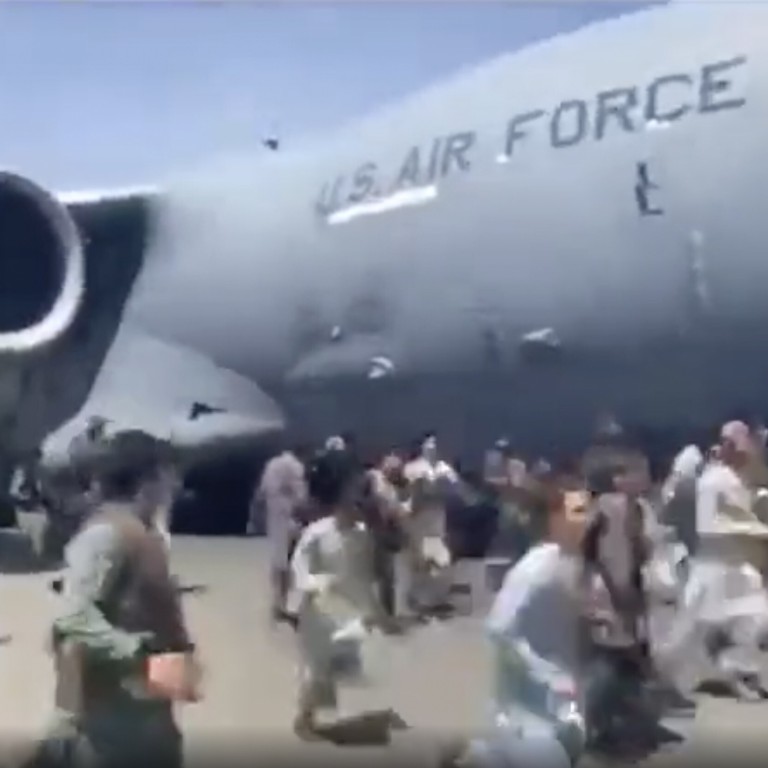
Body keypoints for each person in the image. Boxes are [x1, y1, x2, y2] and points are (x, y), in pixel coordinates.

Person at [35, 430, 201, 768]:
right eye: (169, 475)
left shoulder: (138, 532)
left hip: (142, 711)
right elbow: (74, 620)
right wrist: (137, 650)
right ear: (148, 478)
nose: (175, 485)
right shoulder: (105, 535)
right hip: (111, 724)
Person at [445, 479, 590, 768]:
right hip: (535, 704)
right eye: (578, 512)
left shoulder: (569, 562)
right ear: (554, 519)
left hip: (556, 697)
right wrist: (532, 670)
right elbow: (499, 628)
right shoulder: (537, 567)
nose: (587, 520)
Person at [657, 421, 768, 701]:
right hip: (714, 567)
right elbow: (709, 525)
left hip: (736, 566)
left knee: (750, 622)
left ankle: (742, 674)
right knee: (689, 631)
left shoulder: (737, 478)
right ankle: (660, 679)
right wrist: (755, 530)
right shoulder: (714, 480)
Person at [291, 448, 389, 739]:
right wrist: (313, 583)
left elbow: (364, 575)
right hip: (318, 612)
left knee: (344, 661)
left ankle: (317, 713)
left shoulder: (362, 535)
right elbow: (299, 567)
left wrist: (374, 609)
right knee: (316, 667)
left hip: (346, 610)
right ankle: (304, 718)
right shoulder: (317, 533)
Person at [402, 433, 461, 618]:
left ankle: (434, 600)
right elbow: (411, 492)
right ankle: (419, 601)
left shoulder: (445, 468)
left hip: (437, 520)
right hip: (419, 520)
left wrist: (440, 489)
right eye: (429, 443)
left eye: (435, 443)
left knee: (442, 561)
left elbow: (455, 489)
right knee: (420, 562)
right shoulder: (413, 467)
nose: (432, 447)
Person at [250, 445, 308, 622]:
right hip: (290, 516)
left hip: (273, 515)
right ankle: (287, 604)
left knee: (277, 560)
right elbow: (301, 495)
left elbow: (261, 492)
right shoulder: (296, 466)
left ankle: (277, 602)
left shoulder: (272, 464)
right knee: (293, 561)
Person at [365, 453, 409, 620]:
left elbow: (394, 511)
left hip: (384, 532)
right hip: (372, 531)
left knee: (386, 576)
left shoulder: (391, 488)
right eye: (395, 470)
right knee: (377, 575)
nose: (396, 474)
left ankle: (386, 613)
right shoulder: (373, 478)